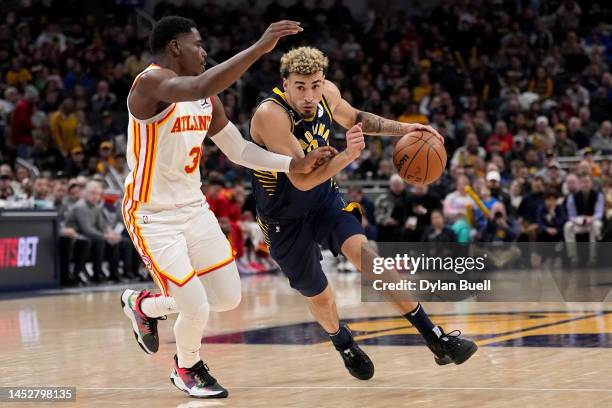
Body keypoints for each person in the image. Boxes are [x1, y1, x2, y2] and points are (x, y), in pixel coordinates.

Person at [118, 17, 332, 399]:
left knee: (226, 298)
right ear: (174, 48)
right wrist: (259, 47)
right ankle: (187, 368)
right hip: (151, 216)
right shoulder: (150, 83)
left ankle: (145, 305)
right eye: (196, 44)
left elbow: (239, 150)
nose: (203, 51)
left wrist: (292, 164)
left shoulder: (206, 99)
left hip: (194, 210)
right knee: (195, 306)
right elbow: (201, 82)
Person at [248, 46, 477, 381]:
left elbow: (357, 118)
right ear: (285, 83)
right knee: (321, 296)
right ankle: (344, 343)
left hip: (323, 200)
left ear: (323, 80)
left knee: (369, 258)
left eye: (315, 85)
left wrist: (408, 129)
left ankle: (435, 338)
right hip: (284, 218)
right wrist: (347, 156)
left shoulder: (327, 93)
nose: (309, 95)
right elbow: (300, 178)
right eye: (300, 86)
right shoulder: (271, 114)